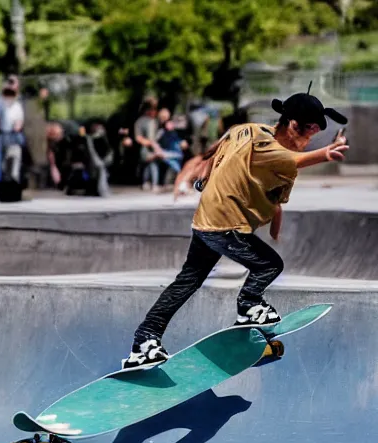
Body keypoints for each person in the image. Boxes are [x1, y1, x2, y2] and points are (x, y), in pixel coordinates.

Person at [122, 87, 350, 370]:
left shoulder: (246, 130)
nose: (307, 142)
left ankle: (145, 341)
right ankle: (248, 306)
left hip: (206, 220)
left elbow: (220, 153)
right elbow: (293, 161)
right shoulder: (271, 148)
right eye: (308, 134)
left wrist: (206, 177)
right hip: (225, 225)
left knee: (188, 281)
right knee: (269, 266)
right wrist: (326, 153)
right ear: (292, 125)